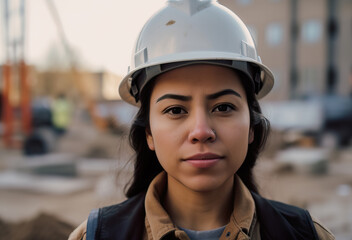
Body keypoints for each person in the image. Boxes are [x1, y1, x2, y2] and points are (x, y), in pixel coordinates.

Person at [69, 0, 335, 239]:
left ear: (252, 127)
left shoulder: (304, 234)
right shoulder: (95, 236)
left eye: (223, 107)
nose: (201, 131)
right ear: (148, 132)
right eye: (175, 110)